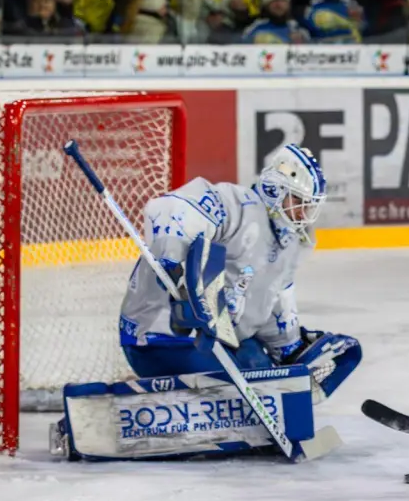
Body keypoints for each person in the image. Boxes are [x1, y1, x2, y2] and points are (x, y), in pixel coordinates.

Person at [114, 146, 361, 448]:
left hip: (216, 341)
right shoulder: (239, 206)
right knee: (241, 390)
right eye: (299, 202)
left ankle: (206, 406)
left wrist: (289, 346)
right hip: (161, 335)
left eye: (309, 206)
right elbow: (168, 209)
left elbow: (270, 303)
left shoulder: (287, 245)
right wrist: (174, 263)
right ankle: (143, 402)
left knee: (264, 373)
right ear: (274, 189)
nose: (304, 214)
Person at [242, 0, 310, 44]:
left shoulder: (298, 28)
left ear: (288, 4)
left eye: (282, 0)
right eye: (274, 1)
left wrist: (302, 40)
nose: (278, 5)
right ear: (266, 6)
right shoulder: (256, 28)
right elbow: (241, 45)